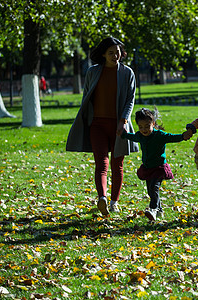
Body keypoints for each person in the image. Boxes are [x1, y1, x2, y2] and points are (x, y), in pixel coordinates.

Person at [66, 37, 138, 216]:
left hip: (119, 125)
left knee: (117, 164)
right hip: (96, 124)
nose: (115, 55)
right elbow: (87, 97)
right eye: (111, 53)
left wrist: (123, 121)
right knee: (101, 163)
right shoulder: (93, 72)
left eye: (118, 52)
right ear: (104, 54)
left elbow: (130, 100)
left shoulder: (127, 73)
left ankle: (114, 202)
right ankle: (102, 199)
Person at [121, 108, 191, 222]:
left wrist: (183, 136)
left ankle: (153, 210)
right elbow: (132, 137)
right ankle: (159, 210)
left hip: (159, 168)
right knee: (150, 191)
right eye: (141, 127)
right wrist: (124, 134)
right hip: (148, 168)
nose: (144, 129)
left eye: (147, 126)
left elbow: (171, 137)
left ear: (153, 124)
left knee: (154, 188)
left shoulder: (159, 135)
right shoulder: (140, 135)